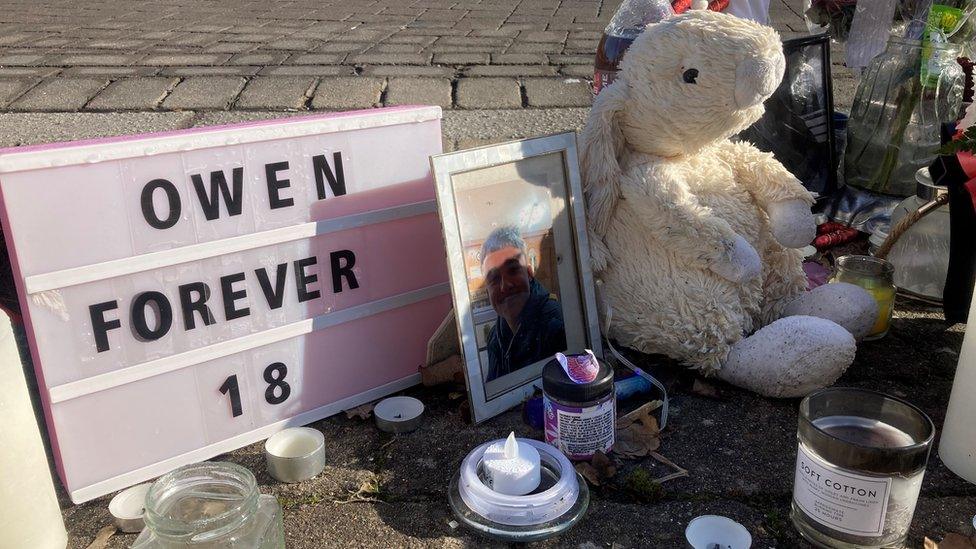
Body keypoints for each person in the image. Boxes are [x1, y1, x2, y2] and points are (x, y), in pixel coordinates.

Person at [479, 226, 566, 382]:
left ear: (529, 273)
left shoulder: (557, 328)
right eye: (494, 278)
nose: (505, 286)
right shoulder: (494, 338)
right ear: (487, 291)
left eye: (513, 270)